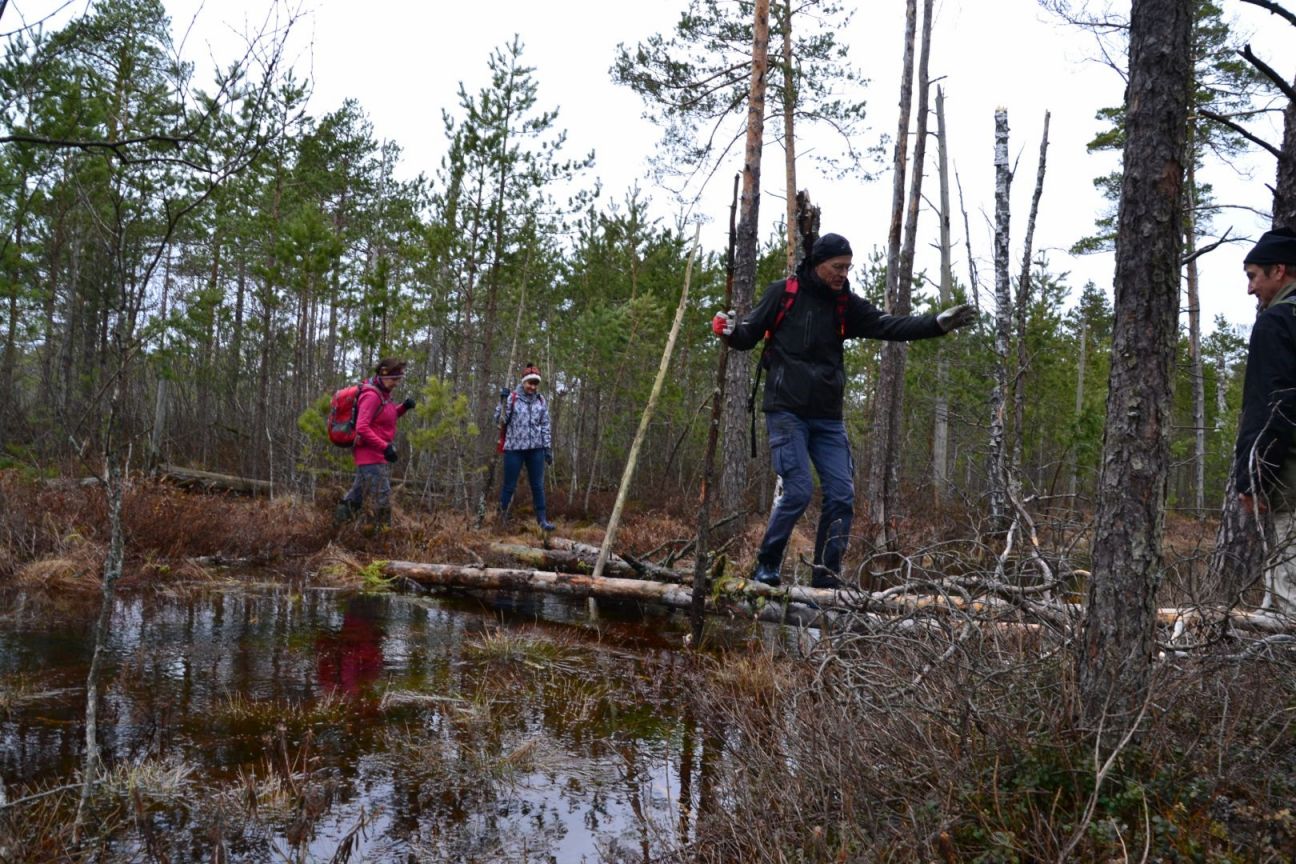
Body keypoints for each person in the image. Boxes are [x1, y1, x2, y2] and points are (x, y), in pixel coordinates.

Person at [712, 233, 975, 589]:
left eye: (848, 267)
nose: (843, 274)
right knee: (799, 490)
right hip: (786, 411)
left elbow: (887, 325)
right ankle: (767, 564)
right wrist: (728, 331)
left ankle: (826, 575)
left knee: (841, 494)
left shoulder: (844, 304)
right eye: (838, 267)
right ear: (818, 263)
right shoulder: (783, 292)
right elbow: (747, 335)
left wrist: (936, 324)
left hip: (827, 418)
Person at [1234, 227, 1296, 614]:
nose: (1250, 289)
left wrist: (1253, 478)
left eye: (1253, 276)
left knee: (1288, 604)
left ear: (1279, 270)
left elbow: (1274, 408)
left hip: (1290, 481)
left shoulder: (1277, 322)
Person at [334, 357, 416, 528]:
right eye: (394, 379)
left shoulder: (384, 395)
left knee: (357, 495)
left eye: (399, 379)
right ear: (384, 376)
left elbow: (384, 418)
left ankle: (336, 527)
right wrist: (385, 447)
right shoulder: (371, 396)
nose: (396, 383)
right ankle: (382, 540)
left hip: (374, 455)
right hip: (370, 455)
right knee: (383, 497)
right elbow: (362, 427)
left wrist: (403, 407)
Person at [495, 362, 556, 531]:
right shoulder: (512, 398)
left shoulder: (541, 401)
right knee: (509, 485)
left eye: (535, 383)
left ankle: (542, 520)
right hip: (514, 449)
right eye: (530, 383)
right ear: (523, 382)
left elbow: (545, 425)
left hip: (536, 449)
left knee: (537, 485)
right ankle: (500, 520)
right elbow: (499, 421)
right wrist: (502, 401)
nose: (532, 386)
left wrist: (547, 448)